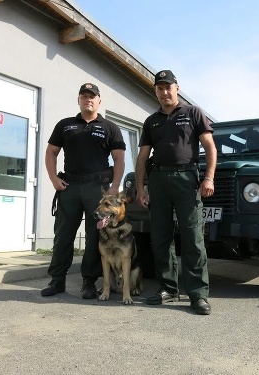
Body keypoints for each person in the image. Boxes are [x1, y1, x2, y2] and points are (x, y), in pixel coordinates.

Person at [135, 70, 217, 315]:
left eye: (168, 87)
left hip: (186, 178)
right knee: (160, 236)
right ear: (156, 91)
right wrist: (141, 187)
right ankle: (168, 289)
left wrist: (209, 177)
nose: (164, 92)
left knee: (193, 238)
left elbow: (210, 147)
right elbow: (142, 157)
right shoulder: (151, 121)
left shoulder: (193, 113)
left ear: (177, 88)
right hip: (158, 179)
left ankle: (198, 295)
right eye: (159, 88)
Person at [41, 82, 126, 299]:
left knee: (94, 236)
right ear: (78, 100)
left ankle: (89, 281)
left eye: (92, 96)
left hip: (97, 191)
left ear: (99, 101)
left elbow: (119, 159)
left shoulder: (110, 128)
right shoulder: (65, 125)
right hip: (69, 186)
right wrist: (53, 179)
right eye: (84, 96)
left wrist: (114, 187)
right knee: (63, 235)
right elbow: (51, 152)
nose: (88, 99)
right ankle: (57, 280)